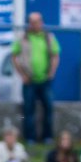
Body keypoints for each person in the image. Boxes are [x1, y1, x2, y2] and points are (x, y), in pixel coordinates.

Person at [11, 11, 60, 145]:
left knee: (48, 107)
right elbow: (14, 56)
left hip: (45, 79)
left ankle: (47, 137)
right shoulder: (23, 38)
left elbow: (55, 55)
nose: (34, 25)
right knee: (28, 109)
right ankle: (30, 138)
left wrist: (52, 72)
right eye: (32, 22)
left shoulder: (48, 37)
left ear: (41, 22)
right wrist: (22, 74)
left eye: (37, 22)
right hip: (29, 80)